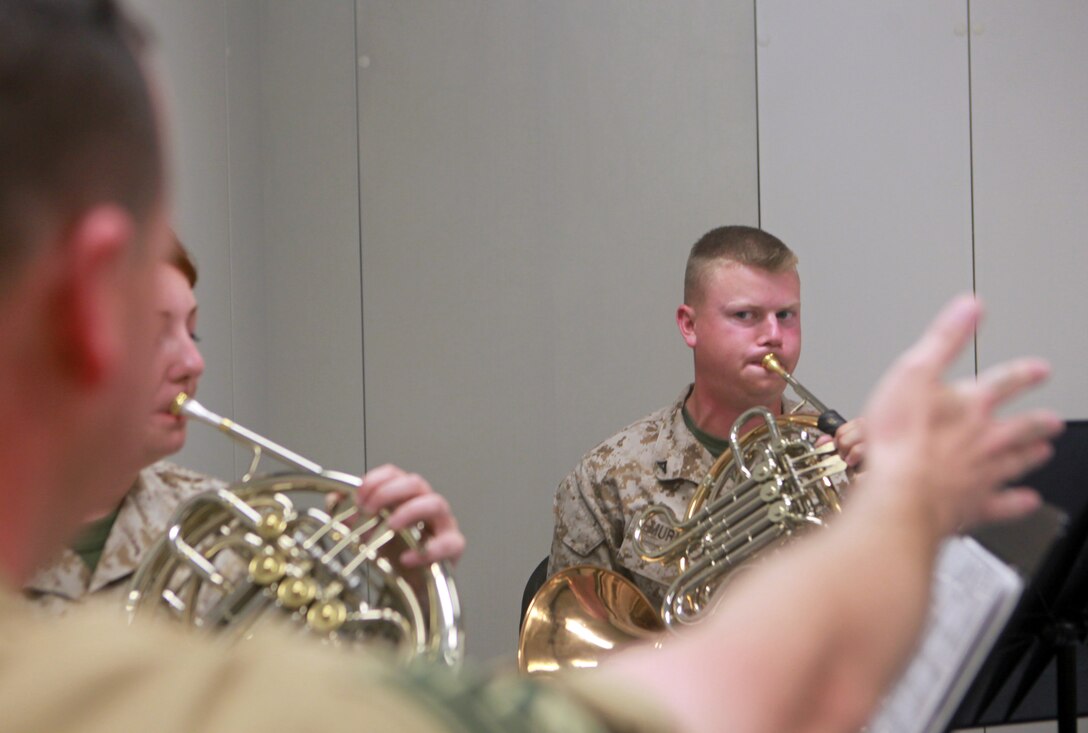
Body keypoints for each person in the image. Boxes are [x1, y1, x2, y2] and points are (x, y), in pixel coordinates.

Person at [0, 3, 1063, 732]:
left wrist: (389, 602)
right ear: (86, 304)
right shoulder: (610, 467)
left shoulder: (189, 534)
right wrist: (903, 522)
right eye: (155, 310)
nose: (191, 359)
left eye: (787, 315)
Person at [22, 231, 465, 617]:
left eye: (192, 334)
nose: (194, 363)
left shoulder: (226, 533)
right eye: (154, 334)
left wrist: (406, 586)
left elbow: (328, 704)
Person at [549, 225, 865, 611]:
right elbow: (577, 647)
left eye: (786, 315)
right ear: (689, 325)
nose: (773, 335)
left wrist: (890, 503)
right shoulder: (605, 479)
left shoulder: (839, 461)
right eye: (746, 315)